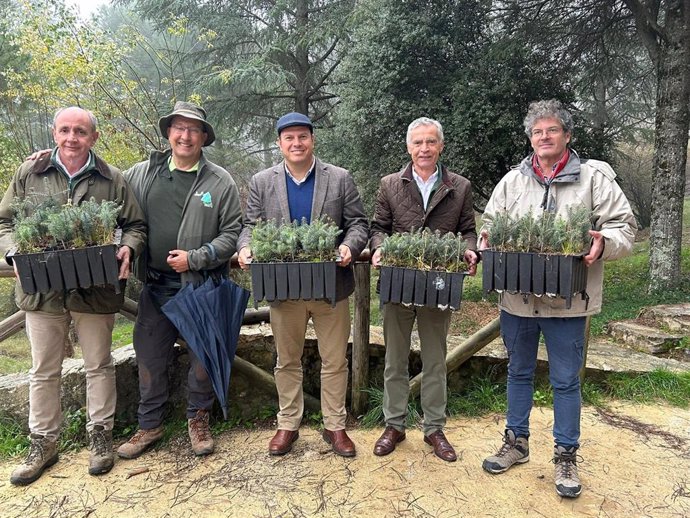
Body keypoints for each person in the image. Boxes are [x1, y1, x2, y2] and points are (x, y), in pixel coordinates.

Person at [480, 99, 636, 497]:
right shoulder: (512, 181)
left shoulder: (593, 178)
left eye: (552, 130)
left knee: (566, 381)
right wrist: (488, 240)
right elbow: (491, 223)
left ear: (567, 135)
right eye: (537, 132)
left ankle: (566, 455)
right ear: (530, 139)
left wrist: (603, 244)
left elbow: (623, 228)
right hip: (517, 298)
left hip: (569, 300)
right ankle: (516, 442)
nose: (544, 137)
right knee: (518, 372)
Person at [0, 107, 147, 485]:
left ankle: (100, 437)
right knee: (42, 370)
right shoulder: (29, 172)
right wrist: (13, 250)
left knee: (99, 364)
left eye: (80, 131)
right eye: (64, 130)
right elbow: (5, 221)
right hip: (42, 292)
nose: (71, 138)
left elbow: (134, 225)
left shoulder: (111, 178)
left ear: (93, 137)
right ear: (54, 132)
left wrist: (128, 248)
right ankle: (43, 443)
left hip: (94, 289)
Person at [237, 112, 368, 457]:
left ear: (312, 140)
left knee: (335, 360)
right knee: (287, 359)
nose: (296, 144)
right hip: (284, 289)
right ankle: (288, 424)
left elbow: (358, 224)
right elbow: (249, 225)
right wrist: (245, 247)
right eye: (289, 138)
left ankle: (335, 426)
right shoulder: (263, 181)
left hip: (331, 287)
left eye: (302, 137)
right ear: (279, 143)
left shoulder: (339, 178)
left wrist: (349, 247)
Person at [117, 102, 242, 459]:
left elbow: (232, 232)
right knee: (149, 359)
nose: (185, 136)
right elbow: (111, 197)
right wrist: (53, 159)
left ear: (204, 137)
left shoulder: (219, 181)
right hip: (154, 287)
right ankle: (149, 424)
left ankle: (198, 420)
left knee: (204, 360)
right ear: (169, 132)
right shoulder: (141, 174)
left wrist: (196, 257)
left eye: (193, 130)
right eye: (179, 128)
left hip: (202, 287)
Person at [369, 117, 478, 462]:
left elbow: (468, 230)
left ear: (441, 146)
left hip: (438, 284)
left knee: (435, 360)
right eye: (418, 143)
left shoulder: (460, 186)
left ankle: (434, 428)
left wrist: (469, 249)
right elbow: (378, 228)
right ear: (408, 147)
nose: (424, 149)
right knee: (395, 359)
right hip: (398, 282)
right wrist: (379, 247)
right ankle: (394, 424)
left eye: (431, 142)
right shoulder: (389, 184)